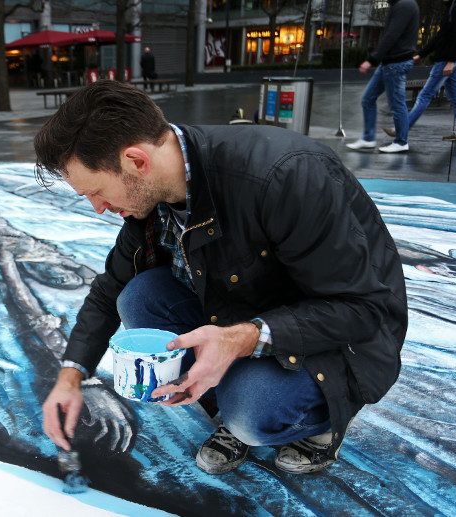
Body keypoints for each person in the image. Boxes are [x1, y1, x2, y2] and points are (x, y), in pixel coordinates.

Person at [35, 81, 408, 475]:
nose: (98, 208)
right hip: (247, 305)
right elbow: (109, 288)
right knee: (137, 296)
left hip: (340, 339)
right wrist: (71, 376)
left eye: (95, 192)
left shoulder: (284, 175)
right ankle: (232, 403)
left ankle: (320, 420)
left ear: (135, 161)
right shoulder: (154, 193)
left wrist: (239, 338)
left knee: (253, 414)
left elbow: (363, 309)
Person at [383, 0, 456, 142]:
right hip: (447, 59)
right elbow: (440, 37)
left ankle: (401, 129)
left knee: (425, 95)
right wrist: (421, 54)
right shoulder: (452, 7)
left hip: (447, 60)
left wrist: (452, 61)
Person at [347, 0, 419, 153]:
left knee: (397, 104)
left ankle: (401, 141)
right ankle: (368, 138)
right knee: (368, 99)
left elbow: (391, 35)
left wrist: (372, 59)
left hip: (396, 62)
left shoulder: (405, 5)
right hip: (389, 62)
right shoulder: (402, 5)